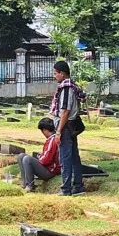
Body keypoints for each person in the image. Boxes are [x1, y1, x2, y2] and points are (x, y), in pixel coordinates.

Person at [50, 61, 86, 196]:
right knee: (74, 157)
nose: (54, 76)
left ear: (62, 73)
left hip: (65, 127)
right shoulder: (72, 87)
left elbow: (64, 111)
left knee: (65, 158)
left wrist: (58, 131)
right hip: (72, 126)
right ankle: (78, 186)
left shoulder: (65, 89)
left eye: (55, 73)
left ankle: (66, 188)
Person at [17, 118, 61, 192]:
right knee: (21, 156)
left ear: (45, 130)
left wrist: (38, 159)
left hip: (50, 171)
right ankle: (25, 183)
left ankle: (30, 186)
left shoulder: (53, 140)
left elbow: (46, 159)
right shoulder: (50, 139)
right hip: (47, 166)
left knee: (27, 159)